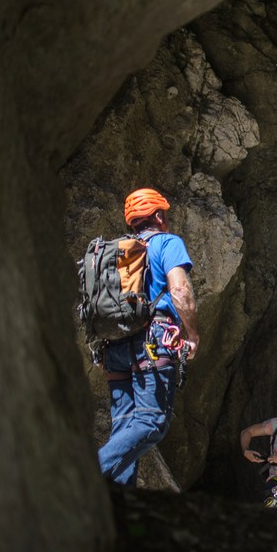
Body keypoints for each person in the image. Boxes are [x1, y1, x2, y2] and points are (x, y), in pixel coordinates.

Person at [97, 188, 200, 486]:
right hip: (152, 344)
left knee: (125, 429)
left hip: (114, 345)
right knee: (151, 422)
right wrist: (192, 333)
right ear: (158, 216)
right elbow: (180, 290)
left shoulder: (116, 251)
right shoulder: (167, 243)